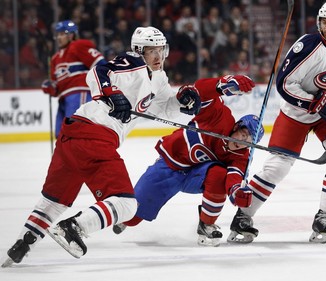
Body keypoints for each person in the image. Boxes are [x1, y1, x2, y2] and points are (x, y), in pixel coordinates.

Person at [1, 26, 202, 267]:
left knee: (55, 201)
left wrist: (184, 102)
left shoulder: (158, 78)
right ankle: (73, 228)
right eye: (151, 51)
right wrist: (109, 93)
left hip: (73, 136)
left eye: (161, 50)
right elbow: (98, 71)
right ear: (140, 51)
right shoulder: (133, 62)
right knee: (127, 205)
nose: (158, 57)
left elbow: (163, 107)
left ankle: (22, 245)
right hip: (94, 136)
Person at [227, 1, 326, 244]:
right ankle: (243, 216)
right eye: (324, 21)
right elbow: (284, 84)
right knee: (277, 168)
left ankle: (324, 217)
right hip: (297, 113)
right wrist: (312, 102)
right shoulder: (306, 45)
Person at [112, 74, 263, 247]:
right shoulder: (220, 117)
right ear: (236, 127)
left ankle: (206, 224)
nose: (242, 143)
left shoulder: (242, 155)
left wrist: (237, 193)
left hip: (195, 176)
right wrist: (223, 84)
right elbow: (201, 92)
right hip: (169, 166)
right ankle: (111, 216)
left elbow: (234, 177)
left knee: (218, 174)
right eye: (243, 135)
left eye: (248, 142)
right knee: (132, 217)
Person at [41, 20, 107, 138]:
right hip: (63, 99)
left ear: (71, 35)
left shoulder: (78, 46)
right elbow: (56, 88)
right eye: (58, 34)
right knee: (61, 134)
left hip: (79, 93)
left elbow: (100, 64)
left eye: (62, 34)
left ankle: (85, 156)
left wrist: (104, 86)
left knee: (76, 131)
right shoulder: (55, 58)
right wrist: (50, 87)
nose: (59, 37)